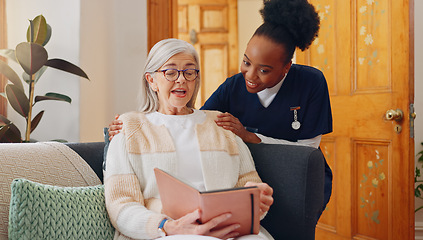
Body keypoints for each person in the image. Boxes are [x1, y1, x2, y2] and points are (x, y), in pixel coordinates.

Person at [109, 0, 333, 212]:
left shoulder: (311, 83)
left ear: (286, 68)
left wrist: (249, 136)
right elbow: (198, 121)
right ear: (151, 80)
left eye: (264, 70)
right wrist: (130, 129)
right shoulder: (233, 87)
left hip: (298, 174)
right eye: (246, 62)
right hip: (254, 179)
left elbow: (307, 148)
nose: (250, 76)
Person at [104, 38, 274, 240]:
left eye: (189, 72)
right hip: (164, 232)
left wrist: (256, 199)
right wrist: (167, 226)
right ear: (151, 80)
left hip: (228, 230)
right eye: (170, 72)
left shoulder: (221, 124)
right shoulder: (129, 128)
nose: (181, 79)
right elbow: (120, 205)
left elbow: (251, 187)